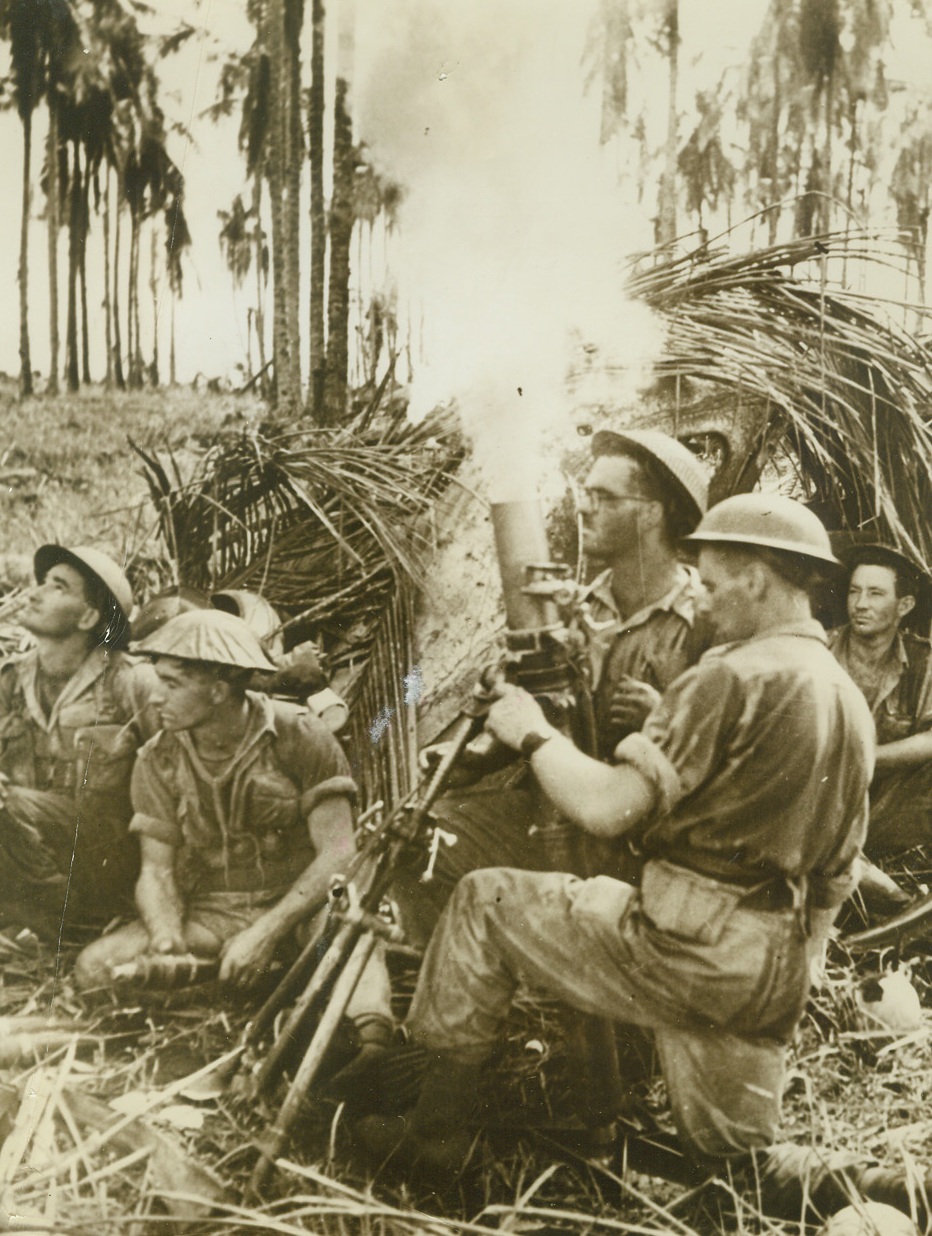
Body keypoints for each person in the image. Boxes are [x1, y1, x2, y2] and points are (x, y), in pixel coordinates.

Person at [356, 493, 875, 1187]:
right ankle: (897, 1188)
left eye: (716, 586)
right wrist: (789, 977)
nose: (708, 603)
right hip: (769, 967)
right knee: (738, 1170)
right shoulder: (844, 696)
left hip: (683, 949)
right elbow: (839, 873)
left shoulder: (730, 675)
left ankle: (433, 1138)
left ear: (757, 577)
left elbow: (606, 809)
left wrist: (529, 729)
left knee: (486, 901)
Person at [398, 429, 710, 939]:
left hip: (653, 844)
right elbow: (546, 716)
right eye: (586, 494)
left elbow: (729, 763)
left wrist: (664, 720)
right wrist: (476, 756)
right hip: (559, 816)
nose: (586, 509)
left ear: (652, 513)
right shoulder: (575, 611)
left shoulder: (706, 622)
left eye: (603, 497)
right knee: (421, 840)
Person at [73, 609, 392, 1057]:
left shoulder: (299, 735)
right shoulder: (156, 760)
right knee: (96, 969)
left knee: (347, 931)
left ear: (219, 691)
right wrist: (168, 940)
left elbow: (340, 853)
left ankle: (370, 1042)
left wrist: (265, 933)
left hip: (300, 907)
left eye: (172, 685)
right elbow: (157, 870)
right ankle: (252, 989)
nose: (154, 699)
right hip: (214, 914)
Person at [0, 543, 149, 934]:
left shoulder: (127, 681)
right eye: (43, 583)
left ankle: (65, 923)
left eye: (58, 587)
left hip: (104, 857)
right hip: (23, 844)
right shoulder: (12, 680)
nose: (34, 593)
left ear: (87, 617)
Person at [828, 545, 932, 859]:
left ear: (905, 605)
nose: (860, 604)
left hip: (886, 802)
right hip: (823, 792)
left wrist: (868, 758)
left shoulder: (922, 661)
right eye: (853, 592)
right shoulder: (820, 647)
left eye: (875, 594)